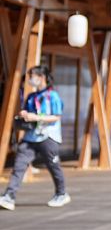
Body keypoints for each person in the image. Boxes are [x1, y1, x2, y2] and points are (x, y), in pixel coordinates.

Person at [0, 65, 70, 210]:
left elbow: (56, 117)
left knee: (53, 166)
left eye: (32, 76)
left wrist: (36, 117)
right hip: (31, 137)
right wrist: (24, 115)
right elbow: (28, 113)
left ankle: (61, 193)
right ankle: (9, 196)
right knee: (19, 165)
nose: (30, 79)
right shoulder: (31, 97)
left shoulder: (52, 96)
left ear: (41, 77)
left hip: (48, 137)